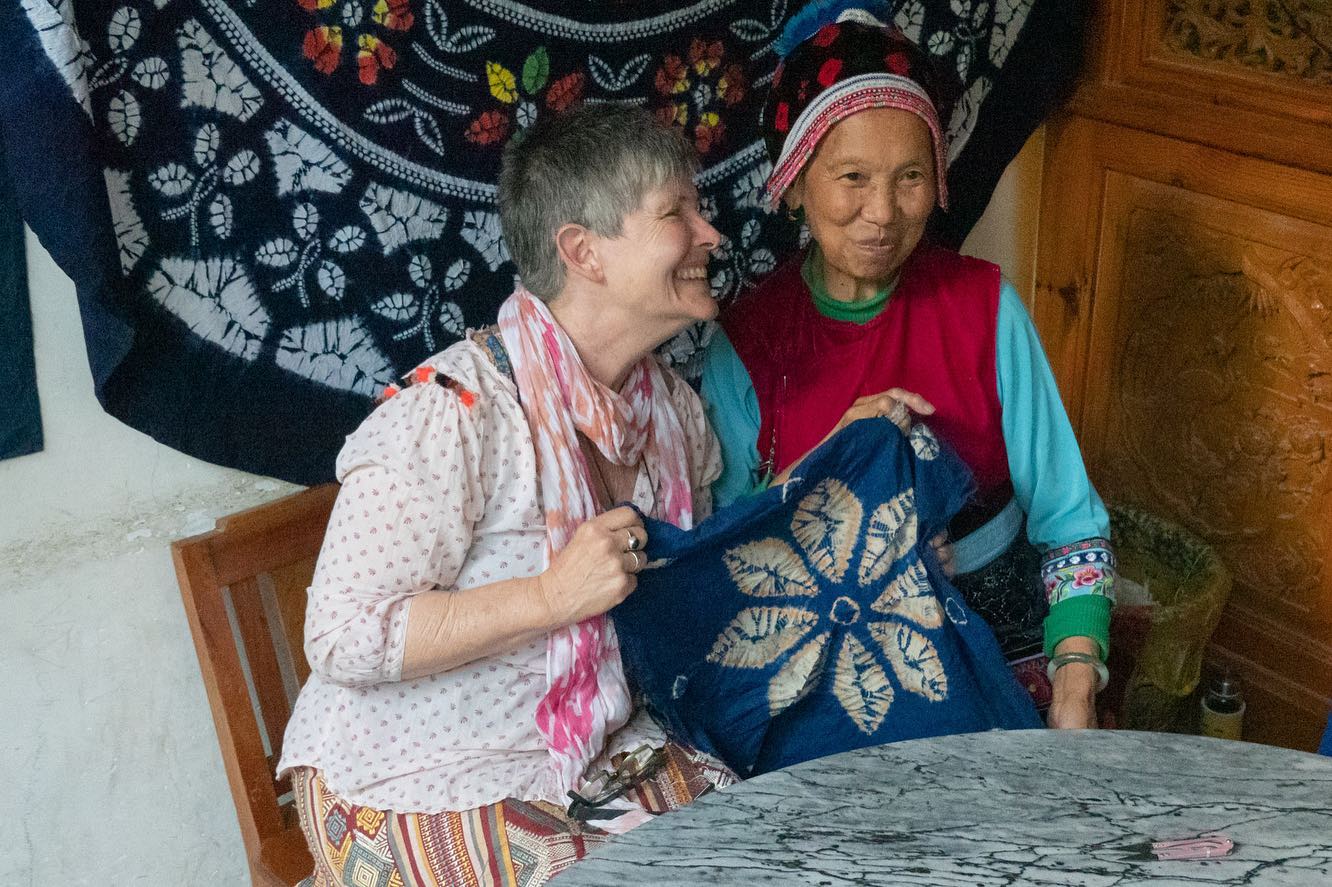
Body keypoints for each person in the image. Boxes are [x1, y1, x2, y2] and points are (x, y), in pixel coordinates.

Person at [277, 105, 736, 886]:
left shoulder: (672, 415)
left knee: (757, 835)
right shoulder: (456, 411)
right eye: (676, 213)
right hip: (414, 769)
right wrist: (554, 594)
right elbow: (342, 635)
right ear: (583, 251)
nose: (711, 234)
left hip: (591, 748)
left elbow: (712, 574)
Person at [701, 3, 1115, 730]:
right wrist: (833, 464)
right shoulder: (748, 341)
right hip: (823, 667)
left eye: (910, 177)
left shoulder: (984, 307)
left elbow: (1071, 521)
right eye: (852, 176)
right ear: (794, 183)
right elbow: (729, 558)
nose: (883, 211)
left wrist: (1075, 687)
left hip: (1000, 647)